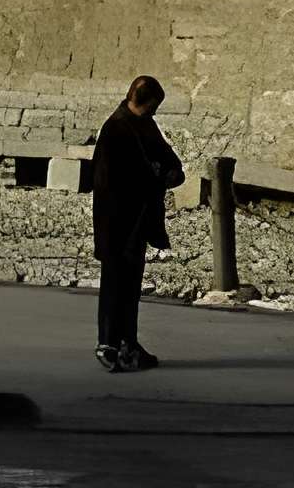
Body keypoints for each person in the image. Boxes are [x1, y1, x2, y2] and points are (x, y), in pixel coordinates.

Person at [87, 73, 184, 372]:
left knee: (130, 287)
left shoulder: (145, 126)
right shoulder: (115, 130)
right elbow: (109, 183)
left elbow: (168, 161)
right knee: (115, 284)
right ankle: (109, 345)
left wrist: (168, 173)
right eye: (153, 105)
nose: (155, 111)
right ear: (143, 101)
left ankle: (127, 342)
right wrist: (152, 176)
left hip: (137, 222)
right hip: (117, 223)